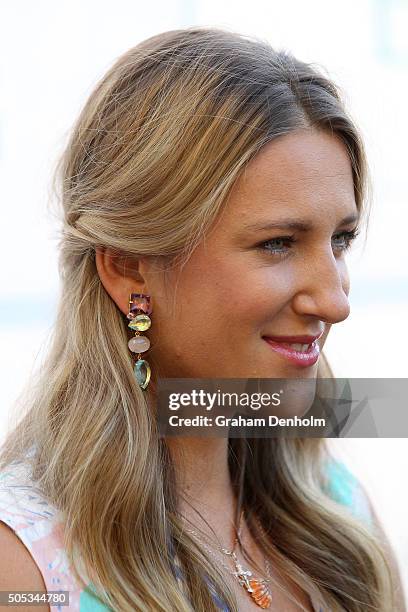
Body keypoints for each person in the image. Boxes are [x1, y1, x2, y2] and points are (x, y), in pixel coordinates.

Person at [0, 26, 405, 612]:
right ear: (130, 268)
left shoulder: (339, 515)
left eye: (341, 240)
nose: (336, 302)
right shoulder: (25, 565)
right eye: (278, 244)